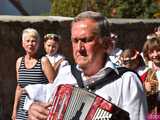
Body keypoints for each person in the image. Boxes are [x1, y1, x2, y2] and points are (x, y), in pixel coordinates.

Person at [24, 11, 147, 120]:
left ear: (106, 44)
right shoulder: (66, 74)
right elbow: (43, 101)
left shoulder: (127, 81)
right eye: (75, 41)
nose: (79, 48)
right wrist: (33, 110)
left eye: (86, 40)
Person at [11, 28, 55, 120]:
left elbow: (54, 86)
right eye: (27, 41)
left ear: (38, 44)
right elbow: (19, 87)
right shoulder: (19, 62)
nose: (30, 44)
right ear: (23, 44)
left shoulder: (43, 61)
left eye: (34, 41)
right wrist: (14, 110)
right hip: (22, 111)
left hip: (37, 111)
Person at [142, 36, 160, 119]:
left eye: (158, 50)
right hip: (152, 114)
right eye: (151, 52)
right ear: (147, 54)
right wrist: (144, 89)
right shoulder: (145, 72)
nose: (155, 54)